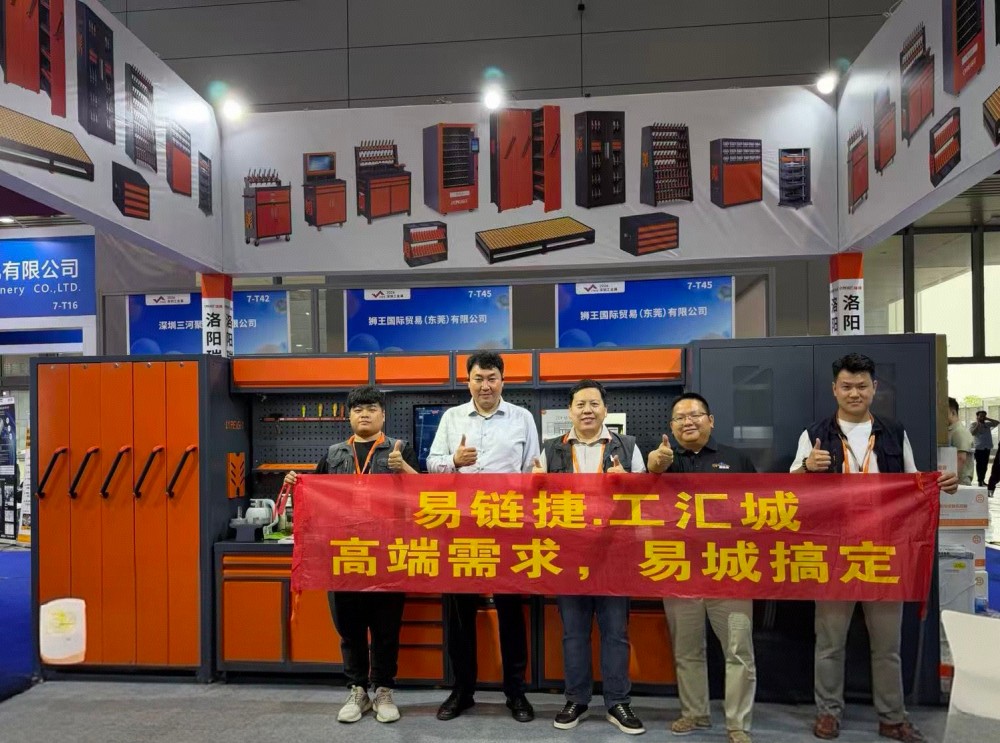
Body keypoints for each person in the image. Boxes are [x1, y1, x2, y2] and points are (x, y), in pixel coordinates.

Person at [792, 353, 958, 743]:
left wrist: (940, 484)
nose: (855, 393)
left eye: (862, 386)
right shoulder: (814, 434)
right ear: (834, 389)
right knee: (829, 643)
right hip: (833, 554)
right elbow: (789, 491)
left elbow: (913, 484)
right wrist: (807, 468)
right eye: (847, 386)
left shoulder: (893, 432)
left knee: (888, 645)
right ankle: (828, 713)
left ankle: (892, 717)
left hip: (883, 552)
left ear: (874, 388)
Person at [284, 385, 419, 725]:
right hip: (344, 554)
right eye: (358, 409)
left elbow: (423, 496)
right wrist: (297, 483)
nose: (364, 414)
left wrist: (403, 468)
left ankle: (384, 689)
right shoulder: (334, 455)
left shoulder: (400, 449)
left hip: (388, 554)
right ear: (349, 416)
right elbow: (314, 499)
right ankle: (358, 689)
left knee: (386, 628)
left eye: (371, 409)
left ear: (383, 414)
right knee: (350, 627)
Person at [426, 351, 540, 723]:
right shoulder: (452, 417)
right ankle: (462, 691)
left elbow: (532, 472)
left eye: (492, 378)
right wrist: (454, 462)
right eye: (478, 378)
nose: (485, 385)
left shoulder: (522, 418)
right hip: (461, 529)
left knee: (511, 612)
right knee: (460, 614)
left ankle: (516, 692)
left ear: (503, 381)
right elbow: (432, 464)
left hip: (507, 528)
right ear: (468, 381)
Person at [533, 379, 646, 735]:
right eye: (580, 404)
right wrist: (535, 486)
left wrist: (629, 482)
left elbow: (648, 499)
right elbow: (535, 503)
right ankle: (577, 699)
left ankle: (618, 702)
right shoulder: (550, 450)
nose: (587, 410)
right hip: (568, 555)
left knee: (616, 632)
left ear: (605, 410)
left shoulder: (627, 447)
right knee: (574, 633)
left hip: (615, 554)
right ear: (569, 411)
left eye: (594, 404)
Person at [648, 392, 757, 743]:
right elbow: (646, 485)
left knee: (738, 651)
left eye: (695, 415)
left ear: (711, 420)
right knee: (687, 650)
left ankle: (738, 724)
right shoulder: (665, 462)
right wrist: (655, 465)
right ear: (671, 427)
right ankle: (694, 713)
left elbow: (761, 509)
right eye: (680, 417)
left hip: (731, 569)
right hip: (680, 570)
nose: (688, 422)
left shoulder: (737, 460)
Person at [947, 397, 975, 486]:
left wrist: (951, 480)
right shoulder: (951, 430)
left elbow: (961, 458)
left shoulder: (959, 431)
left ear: (953, 413)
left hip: (960, 481)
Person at [969, 410, 998, 487]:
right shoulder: (973, 424)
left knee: (985, 466)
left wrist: (988, 418)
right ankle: (979, 481)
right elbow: (973, 433)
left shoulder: (987, 424)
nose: (982, 417)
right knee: (980, 465)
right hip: (979, 448)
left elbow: (997, 422)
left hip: (987, 447)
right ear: (977, 416)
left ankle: (982, 480)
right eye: (981, 416)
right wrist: (978, 423)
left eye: (984, 416)